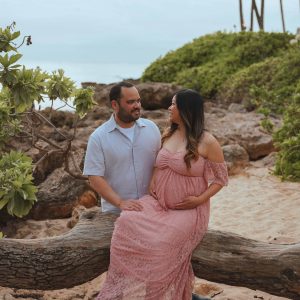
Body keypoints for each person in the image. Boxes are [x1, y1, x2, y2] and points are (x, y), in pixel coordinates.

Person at [96, 89, 228, 300]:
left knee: (160, 245)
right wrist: (153, 184)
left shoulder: (207, 141)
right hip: (158, 204)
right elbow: (158, 165)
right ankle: (122, 291)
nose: (169, 108)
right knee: (127, 220)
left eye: (174, 104)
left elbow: (221, 179)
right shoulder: (168, 134)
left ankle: (155, 294)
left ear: (185, 109)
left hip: (189, 209)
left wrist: (199, 199)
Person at [83, 81, 161, 214]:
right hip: (116, 213)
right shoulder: (98, 137)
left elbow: (159, 164)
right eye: (131, 102)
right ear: (115, 105)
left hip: (152, 209)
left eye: (138, 101)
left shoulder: (152, 128)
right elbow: (94, 177)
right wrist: (120, 203)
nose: (137, 106)